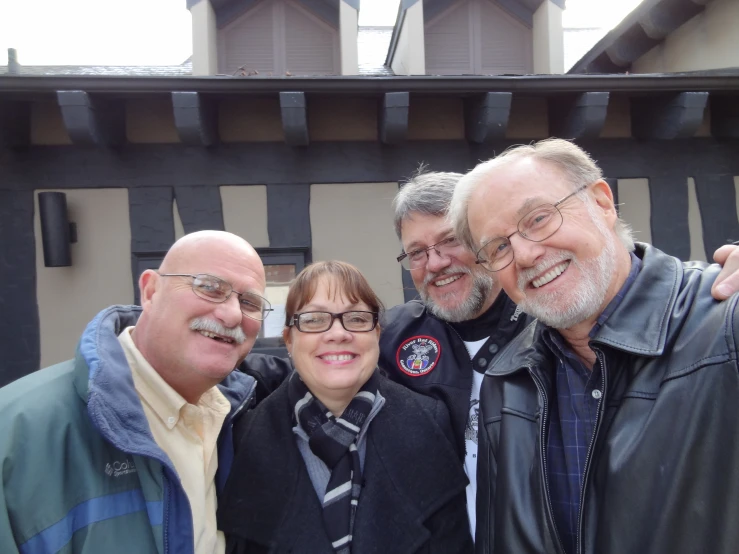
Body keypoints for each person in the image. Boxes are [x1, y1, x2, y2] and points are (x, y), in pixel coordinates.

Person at [449, 138, 739, 554]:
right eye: (498, 247)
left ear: (602, 202)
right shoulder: (507, 380)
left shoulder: (725, 324)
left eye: (538, 218)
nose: (526, 254)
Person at [0, 230, 274, 554]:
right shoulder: (18, 429)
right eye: (210, 288)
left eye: (249, 301)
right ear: (151, 290)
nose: (231, 314)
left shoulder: (241, 418)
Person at [219, 261, 472, 554]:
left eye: (356, 318)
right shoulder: (241, 437)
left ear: (376, 334)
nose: (338, 333)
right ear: (289, 339)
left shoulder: (432, 423)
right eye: (314, 319)